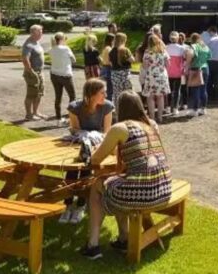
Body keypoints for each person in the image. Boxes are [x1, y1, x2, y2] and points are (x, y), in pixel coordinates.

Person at [82, 91, 172, 258]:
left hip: (143, 192)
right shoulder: (151, 124)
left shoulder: (120, 128)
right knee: (117, 183)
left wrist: (95, 149)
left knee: (98, 186)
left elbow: (95, 159)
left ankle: (93, 244)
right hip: (164, 189)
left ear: (120, 108)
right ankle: (123, 238)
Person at [61, 78, 114, 224]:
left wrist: (94, 138)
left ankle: (80, 205)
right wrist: (84, 136)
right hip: (77, 144)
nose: (105, 95)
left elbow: (107, 132)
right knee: (71, 169)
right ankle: (67, 205)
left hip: (97, 145)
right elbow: (74, 130)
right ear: (91, 94)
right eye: (102, 93)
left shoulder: (107, 107)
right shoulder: (75, 107)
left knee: (86, 169)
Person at [142, 34, 170, 123]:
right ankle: (160, 117)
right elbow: (168, 64)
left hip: (151, 74)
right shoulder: (163, 51)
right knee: (160, 96)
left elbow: (145, 66)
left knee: (150, 97)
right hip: (162, 74)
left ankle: (152, 118)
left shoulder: (147, 52)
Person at [49, 32, 76, 120]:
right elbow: (74, 60)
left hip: (54, 74)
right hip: (65, 74)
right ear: (62, 39)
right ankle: (72, 116)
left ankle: (58, 117)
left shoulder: (51, 49)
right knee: (72, 96)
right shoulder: (66, 48)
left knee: (58, 96)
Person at [21, 24, 45, 121]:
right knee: (31, 94)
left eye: (41, 32)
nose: (41, 33)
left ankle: (35, 112)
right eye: (40, 32)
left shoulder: (36, 42)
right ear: (33, 32)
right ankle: (28, 115)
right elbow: (25, 59)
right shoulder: (28, 44)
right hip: (32, 73)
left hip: (40, 72)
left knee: (39, 93)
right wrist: (31, 72)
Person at [185, 33, 211, 117]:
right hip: (205, 69)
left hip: (195, 69)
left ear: (192, 39)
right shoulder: (205, 46)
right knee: (204, 89)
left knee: (195, 89)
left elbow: (190, 54)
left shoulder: (193, 46)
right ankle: (203, 109)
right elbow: (209, 57)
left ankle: (194, 110)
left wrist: (187, 65)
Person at [109, 32, 135, 99]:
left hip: (115, 74)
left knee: (117, 93)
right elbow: (132, 60)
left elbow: (110, 63)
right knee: (128, 93)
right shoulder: (125, 50)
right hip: (125, 74)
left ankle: (118, 107)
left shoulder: (111, 51)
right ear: (123, 40)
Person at [166, 31, 186, 115]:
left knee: (169, 90)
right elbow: (184, 60)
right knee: (177, 90)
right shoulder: (182, 48)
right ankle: (175, 108)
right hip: (178, 72)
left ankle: (167, 108)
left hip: (168, 72)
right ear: (178, 38)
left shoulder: (166, 47)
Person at [100, 33, 116, 102]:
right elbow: (110, 60)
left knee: (108, 87)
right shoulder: (109, 49)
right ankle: (109, 104)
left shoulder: (105, 47)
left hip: (104, 67)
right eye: (114, 39)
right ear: (111, 40)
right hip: (108, 68)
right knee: (110, 88)